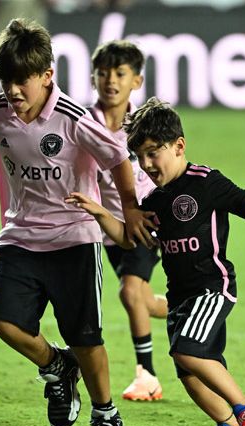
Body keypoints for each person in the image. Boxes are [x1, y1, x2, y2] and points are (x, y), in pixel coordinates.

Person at [0, 18, 153, 426]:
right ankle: (56, 365)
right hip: (20, 235)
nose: (14, 92)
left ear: (47, 76)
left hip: (75, 240)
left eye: (23, 81)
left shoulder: (74, 119)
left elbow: (119, 156)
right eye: (7, 81)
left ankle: (106, 415)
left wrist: (131, 209)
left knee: (86, 337)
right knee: (3, 319)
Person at [66, 97, 245, 426]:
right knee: (189, 372)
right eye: (140, 157)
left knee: (187, 352)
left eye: (153, 153)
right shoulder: (154, 201)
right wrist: (100, 214)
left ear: (179, 146)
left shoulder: (206, 182)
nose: (146, 164)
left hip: (212, 288)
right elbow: (129, 239)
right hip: (181, 297)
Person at [89, 40, 168, 402]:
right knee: (142, 300)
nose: (111, 81)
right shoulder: (83, 124)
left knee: (128, 291)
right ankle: (185, 304)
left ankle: (146, 374)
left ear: (136, 81)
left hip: (147, 221)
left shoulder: (144, 125)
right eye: (104, 73)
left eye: (120, 74)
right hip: (109, 231)